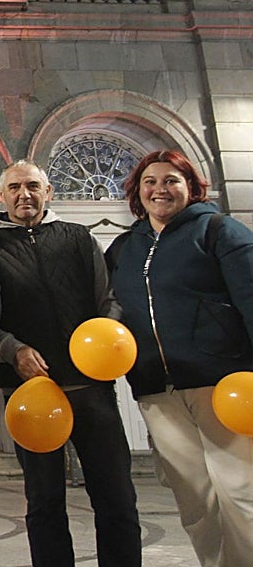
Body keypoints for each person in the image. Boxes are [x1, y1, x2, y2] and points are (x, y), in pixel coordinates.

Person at [0, 160, 140, 567]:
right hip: (29, 395)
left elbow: (108, 301)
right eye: (14, 188)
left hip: (90, 390)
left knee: (116, 498)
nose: (23, 195)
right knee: (44, 503)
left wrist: (102, 343)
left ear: (48, 192)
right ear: (0, 196)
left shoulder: (78, 238)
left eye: (32, 186)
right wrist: (12, 350)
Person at [106, 149, 253, 567]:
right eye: (150, 182)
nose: (160, 189)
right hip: (157, 391)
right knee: (196, 503)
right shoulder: (123, 247)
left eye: (171, 180)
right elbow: (113, 310)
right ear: (138, 192)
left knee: (241, 493)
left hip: (221, 384)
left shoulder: (219, 231)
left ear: (190, 186)